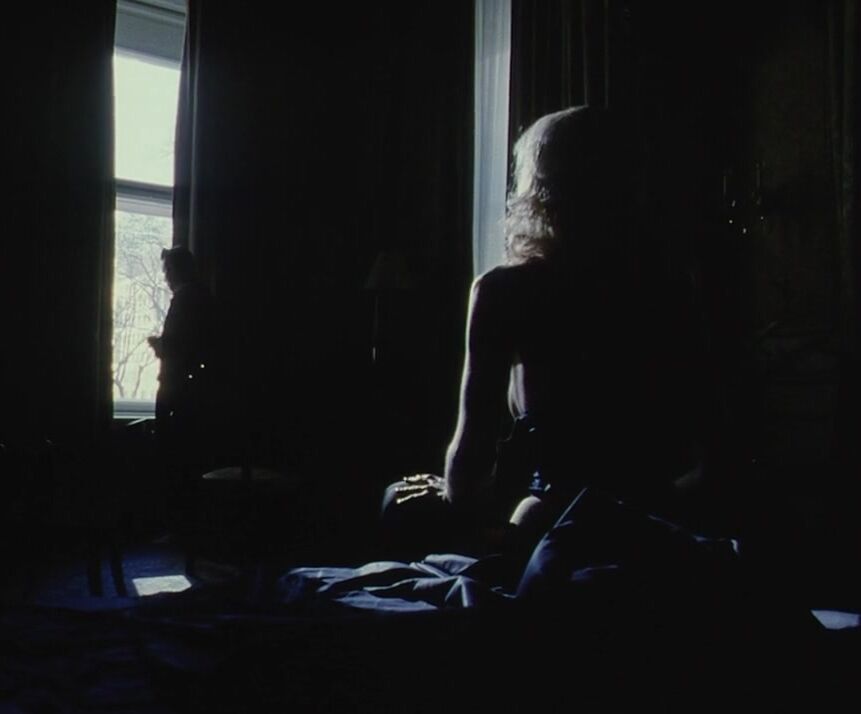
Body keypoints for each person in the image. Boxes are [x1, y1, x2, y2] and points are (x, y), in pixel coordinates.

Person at [383, 106, 705, 555]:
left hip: (559, 524)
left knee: (397, 501)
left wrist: (452, 496)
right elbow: (704, 448)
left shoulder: (505, 292)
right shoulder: (672, 287)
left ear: (536, 190)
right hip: (659, 522)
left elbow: (470, 464)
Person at [148, 246, 214, 477]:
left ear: (178, 270)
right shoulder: (203, 297)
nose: (166, 277)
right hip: (191, 388)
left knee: (171, 456)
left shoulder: (185, 300)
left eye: (168, 270)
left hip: (177, 388)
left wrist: (159, 345)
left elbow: (179, 347)